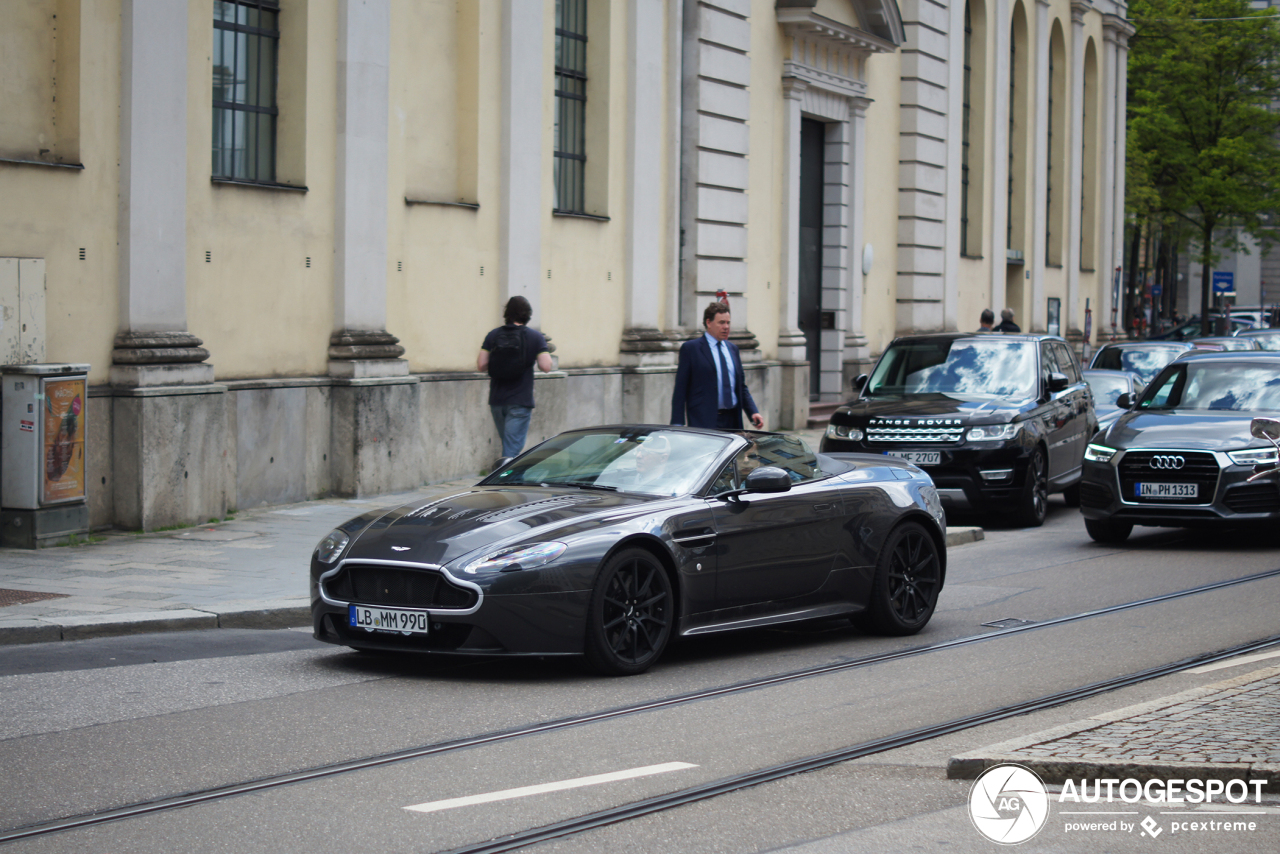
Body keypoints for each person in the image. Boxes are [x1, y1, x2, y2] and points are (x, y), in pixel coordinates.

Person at [477, 296, 554, 459]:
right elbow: (546, 366)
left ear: (507, 314)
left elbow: (481, 365)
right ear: (528, 315)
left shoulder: (493, 335)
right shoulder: (535, 337)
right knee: (511, 449)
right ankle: (505, 481)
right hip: (520, 400)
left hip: (497, 400)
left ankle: (505, 477)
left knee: (508, 444)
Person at [671, 301, 765, 430]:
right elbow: (680, 390)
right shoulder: (691, 349)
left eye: (728, 323)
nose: (726, 327)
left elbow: (740, 387)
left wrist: (753, 411)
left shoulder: (733, 349)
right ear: (709, 323)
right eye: (721, 323)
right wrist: (677, 423)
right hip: (704, 420)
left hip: (732, 420)